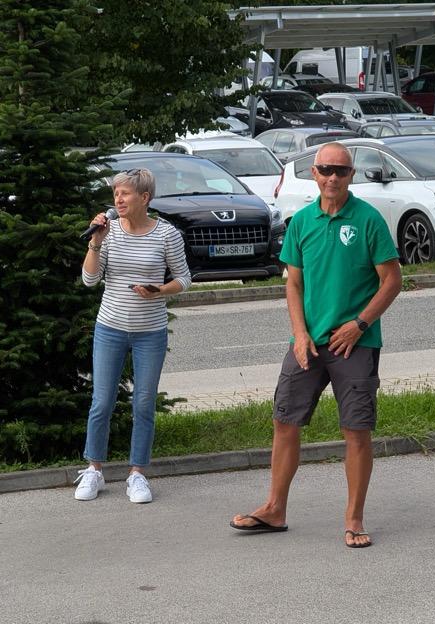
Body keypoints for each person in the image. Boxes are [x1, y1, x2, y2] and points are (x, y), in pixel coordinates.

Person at [230, 143, 402, 547]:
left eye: (341, 171)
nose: (332, 177)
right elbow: (293, 283)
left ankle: (354, 519)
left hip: (354, 344)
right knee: (284, 421)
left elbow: (392, 281)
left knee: (356, 430)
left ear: (351, 175)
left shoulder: (368, 220)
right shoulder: (303, 222)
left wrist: (359, 324)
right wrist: (300, 333)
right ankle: (274, 509)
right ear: (313, 173)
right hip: (307, 343)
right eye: (325, 169)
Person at [75, 168, 191, 503]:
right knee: (102, 401)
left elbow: (184, 279)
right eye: (116, 194)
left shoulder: (166, 234)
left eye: (125, 193)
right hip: (110, 328)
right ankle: (94, 470)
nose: (118, 199)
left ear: (144, 198)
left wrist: (159, 290)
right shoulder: (108, 232)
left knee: (143, 403)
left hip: (149, 333)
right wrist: (96, 242)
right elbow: (89, 280)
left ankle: (137, 474)